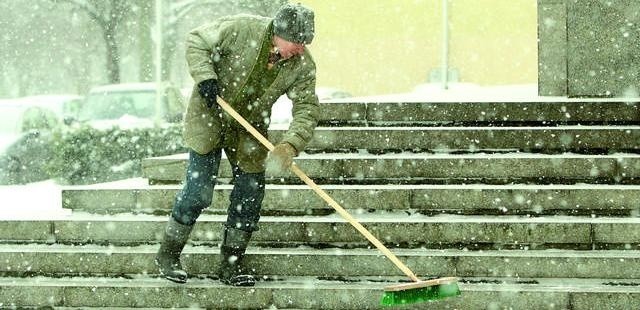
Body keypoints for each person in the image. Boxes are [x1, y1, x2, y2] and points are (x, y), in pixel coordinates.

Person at [155, 3, 319, 287]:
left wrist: (291, 145)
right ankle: (168, 255)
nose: (301, 49)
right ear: (279, 34)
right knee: (198, 191)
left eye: (305, 42)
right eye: (297, 41)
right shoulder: (242, 29)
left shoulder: (301, 64)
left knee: (250, 192)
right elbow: (196, 39)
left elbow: (307, 108)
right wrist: (206, 77)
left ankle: (231, 263)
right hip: (209, 114)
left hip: (250, 127)